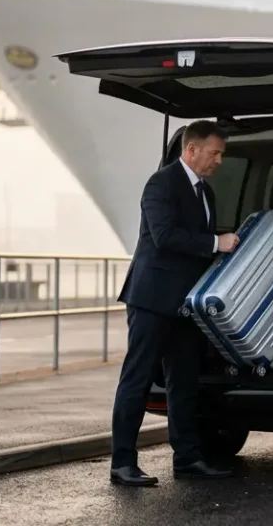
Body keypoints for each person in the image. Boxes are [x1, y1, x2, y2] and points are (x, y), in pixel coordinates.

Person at [109, 120, 239, 487]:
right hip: (151, 300)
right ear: (191, 149)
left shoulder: (206, 192)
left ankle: (188, 458)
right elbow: (165, 236)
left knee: (184, 384)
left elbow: (198, 238)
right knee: (135, 381)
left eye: (221, 155)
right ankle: (122, 464)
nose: (218, 161)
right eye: (214, 153)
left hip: (185, 304)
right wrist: (217, 243)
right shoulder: (161, 183)